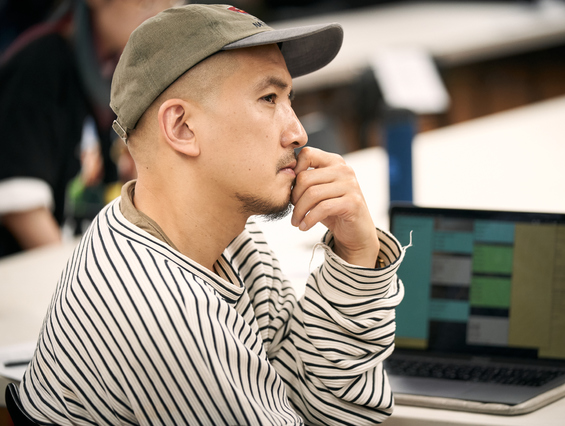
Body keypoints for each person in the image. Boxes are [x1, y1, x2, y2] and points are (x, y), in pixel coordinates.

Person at [20, 4, 406, 425]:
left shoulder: (228, 236)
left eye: (288, 98)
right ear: (183, 127)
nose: (298, 132)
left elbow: (316, 401)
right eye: (268, 98)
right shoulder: (163, 311)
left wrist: (356, 254)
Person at [0, 0, 179, 258]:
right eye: (147, 3)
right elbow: (21, 205)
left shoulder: (121, 71)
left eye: (174, 4)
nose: (162, 16)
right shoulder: (39, 64)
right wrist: (77, 282)